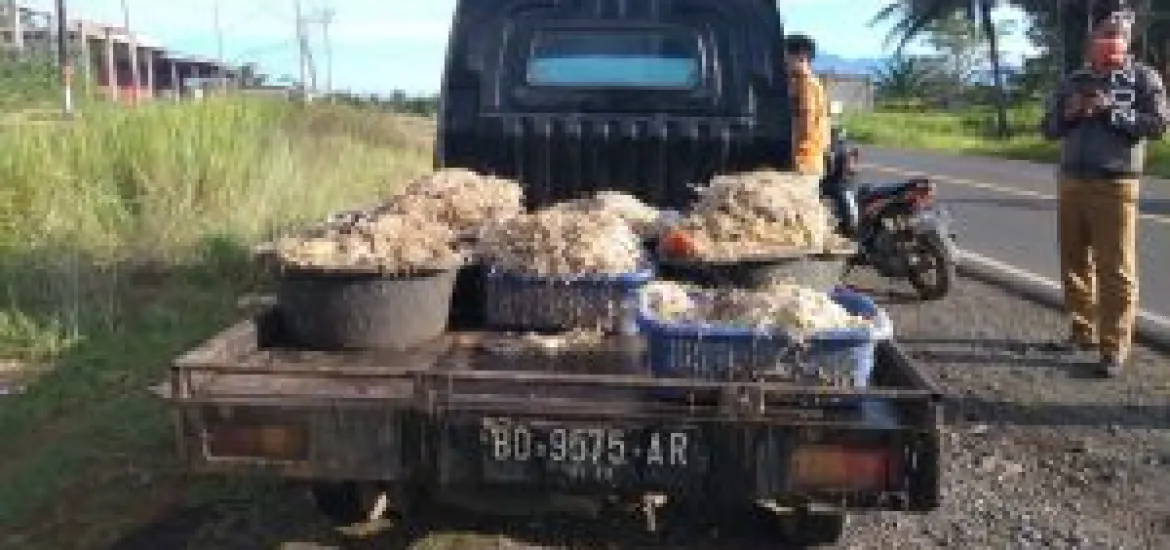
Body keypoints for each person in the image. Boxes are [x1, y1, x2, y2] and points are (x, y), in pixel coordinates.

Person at [1040, 5, 1168, 377]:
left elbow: (1159, 124)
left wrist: (1112, 110)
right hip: (1071, 182)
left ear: (1129, 41)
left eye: (1120, 34)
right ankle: (1082, 332)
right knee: (1074, 262)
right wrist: (1071, 113)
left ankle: (1114, 347)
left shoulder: (1143, 78)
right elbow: (1048, 129)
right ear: (1092, 40)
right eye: (1106, 34)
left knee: (1116, 269)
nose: (1113, 40)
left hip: (1115, 184)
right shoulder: (1074, 80)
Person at [785, 34, 830, 177]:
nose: (784, 62)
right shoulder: (810, 82)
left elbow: (806, 125)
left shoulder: (806, 85)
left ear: (801, 57)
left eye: (787, 56)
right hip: (810, 159)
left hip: (804, 161)